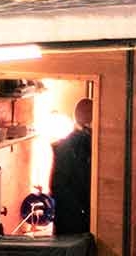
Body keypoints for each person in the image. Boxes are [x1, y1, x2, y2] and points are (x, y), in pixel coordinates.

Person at [50, 98, 94, 235]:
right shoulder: (78, 146)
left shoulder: (66, 145)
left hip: (71, 217)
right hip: (74, 218)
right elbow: (59, 186)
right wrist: (81, 210)